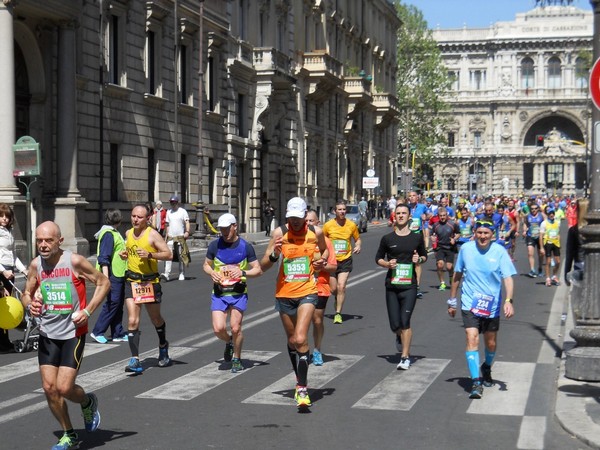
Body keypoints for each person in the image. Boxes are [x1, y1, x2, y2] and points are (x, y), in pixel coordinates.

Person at [20, 221, 110, 450]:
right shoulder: (35, 265)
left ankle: (88, 401)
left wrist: (88, 311)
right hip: (48, 334)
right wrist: (30, 304)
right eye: (39, 240)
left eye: (48, 240)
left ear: (59, 241)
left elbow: (103, 282)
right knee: (50, 388)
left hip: (72, 333)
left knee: (64, 388)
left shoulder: (75, 261)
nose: (43, 244)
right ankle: (69, 433)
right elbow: (26, 294)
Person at [260, 197, 328, 408]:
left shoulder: (315, 233)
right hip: (284, 293)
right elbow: (263, 265)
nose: (296, 222)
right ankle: (300, 370)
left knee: (300, 338)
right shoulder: (279, 234)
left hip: (308, 291)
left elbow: (325, 251)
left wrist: (320, 262)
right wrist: (274, 255)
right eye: (292, 218)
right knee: (292, 340)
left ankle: (302, 387)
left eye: (299, 218)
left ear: (306, 216)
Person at [447, 219, 516, 399]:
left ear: (492, 235)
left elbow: (508, 278)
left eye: (486, 233)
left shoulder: (500, 251)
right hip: (470, 302)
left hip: (491, 305)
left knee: (490, 342)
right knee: (472, 338)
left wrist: (508, 300)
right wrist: (452, 300)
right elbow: (457, 275)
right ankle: (476, 382)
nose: (482, 236)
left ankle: (486, 367)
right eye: (479, 233)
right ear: (474, 233)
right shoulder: (466, 250)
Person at [203, 213, 262, 373]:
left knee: (236, 328)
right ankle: (229, 342)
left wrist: (243, 273)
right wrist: (211, 273)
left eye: (227, 229)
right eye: (222, 229)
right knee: (218, 328)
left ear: (234, 226)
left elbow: (258, 270)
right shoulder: (215, 246)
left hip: (238, 293)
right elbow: (206, 265)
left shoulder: (245, 247)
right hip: (219, 293)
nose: (224, 232)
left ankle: (236, 358)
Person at [375, 204, 427, 370]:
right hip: (392, 285)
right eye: (398, 213)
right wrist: (387, 264)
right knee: (394, 325)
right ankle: (399, 337)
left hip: (409, 286)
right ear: (394, 216)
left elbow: (424, 256)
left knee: (405, 321)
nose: (401, 216)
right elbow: (378, 258)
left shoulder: (416, 238)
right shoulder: (388, 239)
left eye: (404, 213)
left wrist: (418, 260)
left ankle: (405, 357)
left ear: (409, 216)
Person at [123, 204, 173, 374]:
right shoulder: (128, 233)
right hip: (132, 281)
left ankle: (163, 345)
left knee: (156, 319)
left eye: (139, 217)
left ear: (147, 219)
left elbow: (169, 254)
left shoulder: (153, 235)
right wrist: (125, 254)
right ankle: (135, 359)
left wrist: (151, 254)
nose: (135, 219)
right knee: (132, 321)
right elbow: (130, 251)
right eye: (133, 216)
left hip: (150, 282)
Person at [90, 208, 128, 344]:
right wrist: (106, 278)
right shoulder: (108, 234)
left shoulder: (112, 232)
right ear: (119, 220)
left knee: (117, 303)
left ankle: (117, 332)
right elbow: (104, 257)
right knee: (112, 303)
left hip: (118, 273)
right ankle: (97, 331)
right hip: (112, 274)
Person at [305, 209, 337, 366]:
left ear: (318, 223)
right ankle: (303, 351)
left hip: (320, 287)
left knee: (317, 320)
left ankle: (317, 350)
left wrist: (321, 266)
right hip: (301, 286)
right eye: (306, 221)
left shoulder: (326, 242)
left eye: (311, 221)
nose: (308, 224)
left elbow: (333, 267)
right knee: (302, 322)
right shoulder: (298, 240)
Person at [322, 200, 361, 324]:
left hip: (345, 259)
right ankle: (337, 298)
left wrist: (358, 245)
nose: (342, 212)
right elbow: (321, 240)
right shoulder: (328, 225)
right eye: (339, 209)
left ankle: (338, 313)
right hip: (332, 261)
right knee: (333, 290)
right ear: (335, 211)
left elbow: (357, 239)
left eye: (344, 209)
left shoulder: (351, 225)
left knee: (341, 286)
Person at [0, 203, 27, 352]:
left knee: (7, 308)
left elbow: (13, 255)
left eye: (7, 216)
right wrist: (3, 271)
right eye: (1, 216)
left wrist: (24, 270)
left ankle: (5, 341)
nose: (4, 219)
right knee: (3, 309)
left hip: (9, 273)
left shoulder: (9, 231)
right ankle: (2, 344)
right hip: (1, 274)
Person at [162, 195, 190, 281]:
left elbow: (187, 222)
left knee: (181, 256)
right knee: (168, 256)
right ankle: (166, 274)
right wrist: (166, 236)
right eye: (171, 202)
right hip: (171, 236)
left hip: (180, 236)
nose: (173, 204)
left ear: (177, 203)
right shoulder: (169, 212)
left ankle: (181, 273)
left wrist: (187, 232)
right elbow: (167, 224)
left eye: (174, 202)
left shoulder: (182, 211)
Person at [431, 206, 460, 290]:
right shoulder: (436, 225)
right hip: (440, 247)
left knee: (449, 267)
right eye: (441, 216)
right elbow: (432, 235)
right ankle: (442, 283)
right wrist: (432, 238)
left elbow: (458, 233)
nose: (442, 217)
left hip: (450, 247)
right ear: (438, 216)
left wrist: (454, 239)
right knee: (440, 265)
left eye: (444, 215)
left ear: (447, 215)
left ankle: (451, 277)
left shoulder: (452, 224)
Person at [539, 208, 561, 286]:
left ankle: (554, 275)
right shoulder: (544, 223)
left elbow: (558, 233)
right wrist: (541, 247)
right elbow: (541, 236)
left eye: (552, 213)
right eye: (550, 213)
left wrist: (559, 241)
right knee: (548, 262)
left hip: (555, 243)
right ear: (547, 214)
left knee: (558, 262)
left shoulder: (557, 223)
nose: (551, 215)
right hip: (547, 243)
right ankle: (548, 278)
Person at [523, 202, 545, 278]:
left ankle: (540, 268)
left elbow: (546, 223)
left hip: (539, 237)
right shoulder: (527, 216)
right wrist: (524, 231)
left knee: (541, 254)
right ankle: (532, 270)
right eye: (532, 209)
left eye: (535, 208)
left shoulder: (541, 215)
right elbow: (525, 223)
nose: (533, 210)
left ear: (538, 209)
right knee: (530, 253)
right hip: (530, 236)